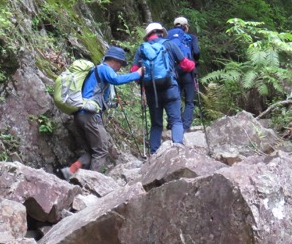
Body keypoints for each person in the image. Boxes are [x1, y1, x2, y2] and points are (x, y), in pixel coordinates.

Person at [61, 46, 143, 180]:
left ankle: (69, 173)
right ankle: (92, 184)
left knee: (90, 152)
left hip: (79, 115)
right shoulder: (104, 68)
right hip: (90, 116)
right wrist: (137, 74)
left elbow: (96, 95)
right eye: (121, 64)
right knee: (101, 151)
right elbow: (116, 80)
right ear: (115, 61)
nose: (120, 68)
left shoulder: (96, 71)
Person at [131, 23, 195, 154]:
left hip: (151, 91)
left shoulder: (142, 49)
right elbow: (186, 65)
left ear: (147, 35)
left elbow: (134, 73)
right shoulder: (169, 44)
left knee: (156, 124)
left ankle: (154, 153)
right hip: (170, 88)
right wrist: (192, 64)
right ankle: (178, 150)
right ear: (161, 32)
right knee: (176, 120)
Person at [167, 16, 201, 132]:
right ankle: (185, 126)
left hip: (173, 71)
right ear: (186, 27)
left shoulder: (169, 36)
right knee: (189, 100)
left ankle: (172, 123)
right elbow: (196, 52)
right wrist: (195, 61)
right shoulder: (191, 38)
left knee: (175, 98)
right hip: (187, 71)